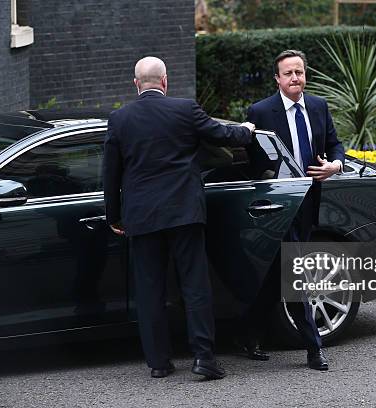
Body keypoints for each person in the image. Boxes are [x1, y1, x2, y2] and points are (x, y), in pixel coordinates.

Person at [103, 56, 255, 380]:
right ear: (165, 81)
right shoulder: (184, 110)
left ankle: (158, 363)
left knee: (149, 291)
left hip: (141, 217)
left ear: (135, 83)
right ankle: (204, 359)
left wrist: (114, 216)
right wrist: (247, 130)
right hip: (184, 212)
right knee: (195, 287)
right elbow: (222, 135)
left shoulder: (119, 119)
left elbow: (110, 174)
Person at [243, 49, 345, 370]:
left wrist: (335, 165)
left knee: (276, 274)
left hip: (308, 202)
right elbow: (250, 162)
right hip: (276, 205)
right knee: (298, 270)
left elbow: (334, 144)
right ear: (277, 79)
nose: (295, 78)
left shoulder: (318, 106)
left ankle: (248, 334)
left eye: (299, 72)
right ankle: (314, 349)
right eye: (288, 73)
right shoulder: (260, 112)